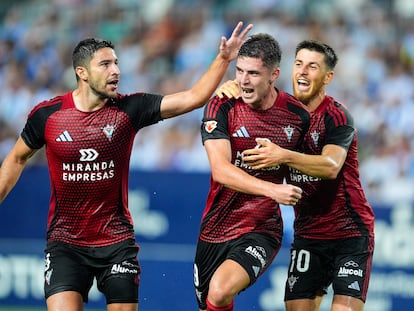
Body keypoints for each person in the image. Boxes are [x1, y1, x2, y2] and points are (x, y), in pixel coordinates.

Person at [0, 21, 252, 311]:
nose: (116, 70)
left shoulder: (129, 109)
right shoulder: (48, 115)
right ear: (81, 73)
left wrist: (223, 59)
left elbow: (193, 98)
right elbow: (17, 158)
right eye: (105, 64)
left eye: (116, 63)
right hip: (65, 244)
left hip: (116, 244)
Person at [218, 40, 375, 311]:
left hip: (349, 232)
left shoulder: (337, 117)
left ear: (328, 77)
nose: (302, 72)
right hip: (308, 233)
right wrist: (231, 91)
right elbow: (250, 102)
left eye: (312, 67)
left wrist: (284, 155)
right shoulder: (280, 112)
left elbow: (330, 166)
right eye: (298, 64)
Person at [193, 33, 310, 311]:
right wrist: (273, 189)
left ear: (274, 75)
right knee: (210, 300)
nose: (244, 81)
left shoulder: (298, 116)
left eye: (254, 73)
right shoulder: (222, 104)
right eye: (240, 71)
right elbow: (221, 170)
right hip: (216, 226)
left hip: (262, 227)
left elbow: (310, 170)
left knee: (220, 291)